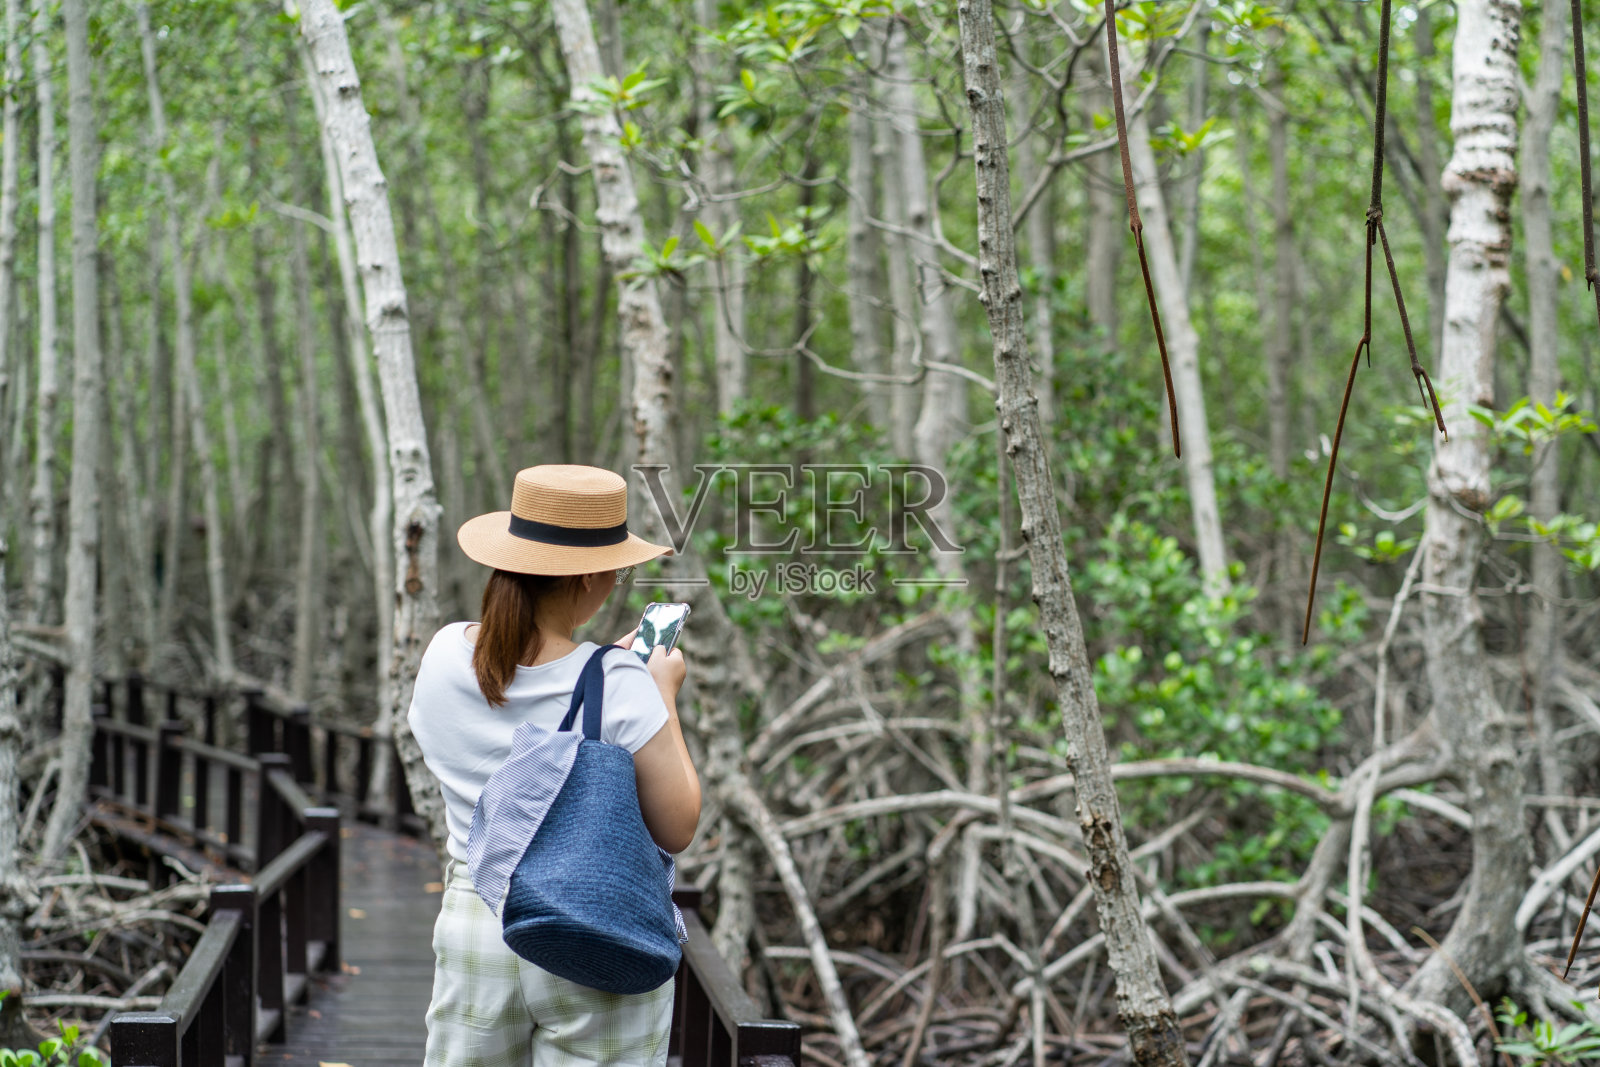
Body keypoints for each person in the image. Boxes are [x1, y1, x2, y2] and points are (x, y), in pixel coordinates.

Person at [409, 464, 702, 1067]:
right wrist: (660, 692)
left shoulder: (442, 654)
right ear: (591, 576)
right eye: (619, 571)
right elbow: (678, 825)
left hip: (477, 919)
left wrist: (616, 678)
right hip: (592, 922)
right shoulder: (619, 682)